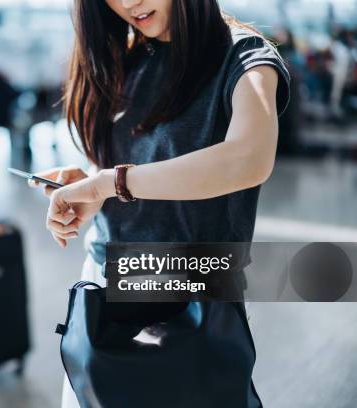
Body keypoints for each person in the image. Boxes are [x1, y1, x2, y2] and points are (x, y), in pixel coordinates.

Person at [30, 0, 289, 406]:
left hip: (190, 295)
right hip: (105, 287)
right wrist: (91, 187)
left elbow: (248, 159)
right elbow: (129, 168)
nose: (129, 2)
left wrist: (110, 183)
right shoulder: (127, 57)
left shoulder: (245, 56)